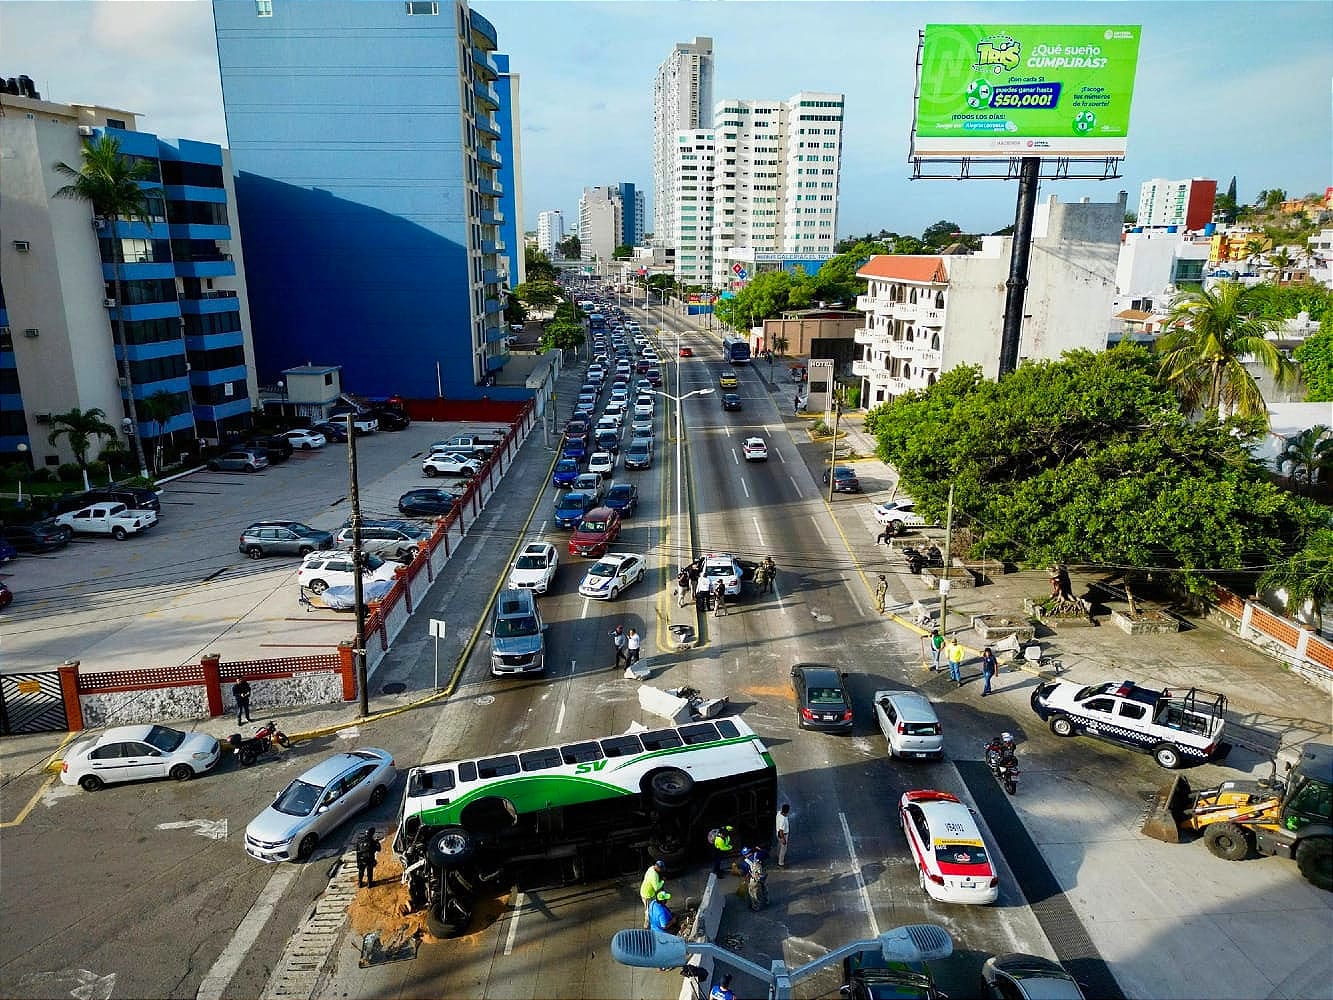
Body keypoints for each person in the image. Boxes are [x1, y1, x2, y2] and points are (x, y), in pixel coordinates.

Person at [639, 859, 666, 928]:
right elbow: (657, 887)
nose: (662, 870)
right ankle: (646, 925)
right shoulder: (654, 875)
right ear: (657, 867)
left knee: (653, 906)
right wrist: (662, 881)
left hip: (646, 891)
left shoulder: (651, 868)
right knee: (648, 910)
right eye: (661, 869)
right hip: (647, 895)